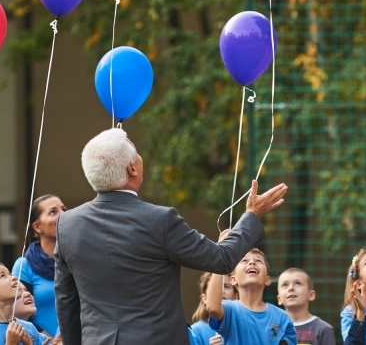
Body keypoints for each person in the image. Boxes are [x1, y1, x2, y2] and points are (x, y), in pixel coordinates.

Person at [54, 128, 288, 345]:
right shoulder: (160, 220)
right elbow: (221, 258)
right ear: (131, 169)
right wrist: (252, 214)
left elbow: (66, 302)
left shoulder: (67, 225)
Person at [205, 248, 297, 344]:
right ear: (233, 280)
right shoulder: (229, 310)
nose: (252, 262)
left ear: (267, 280)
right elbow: (212, 307)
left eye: (258, 260)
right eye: (244, 260)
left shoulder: (282, 317)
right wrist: (221, 255)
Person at [12, 194, 66, 341]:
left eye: (64, 209)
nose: (63, 215)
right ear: (37, 227)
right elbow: (17, 312)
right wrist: (45, 337)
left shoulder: (78, 260)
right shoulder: (24, 266)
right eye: (53, 212)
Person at [278, 267, 336, 345]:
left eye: (298, 283)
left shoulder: (323, 329)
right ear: (279, 299)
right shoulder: (272, 329)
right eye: (285, 285)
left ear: (311, 295)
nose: (291, 288)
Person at [189, 272, 239, 345]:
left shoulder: (243, 326)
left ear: (235, 297)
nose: (221, 291)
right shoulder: (195, 331)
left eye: (226, 286)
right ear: (205, 298)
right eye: (215, 287)